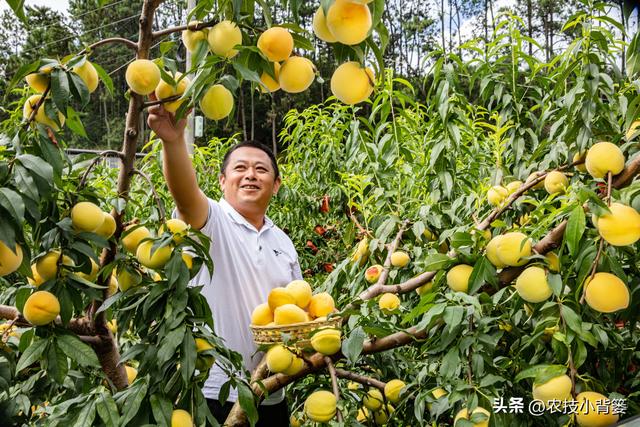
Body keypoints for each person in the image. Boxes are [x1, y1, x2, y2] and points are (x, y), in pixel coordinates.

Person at [147, 97, 302, 425]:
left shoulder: (283, 242)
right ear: (222, 181)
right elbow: (185, 195)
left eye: (261, 170)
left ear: (275, 185)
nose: (250, 175)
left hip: (271, 392)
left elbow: (296, 314)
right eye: (240, 168)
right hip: (213, 393)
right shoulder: (212, 220)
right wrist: (173, 141)